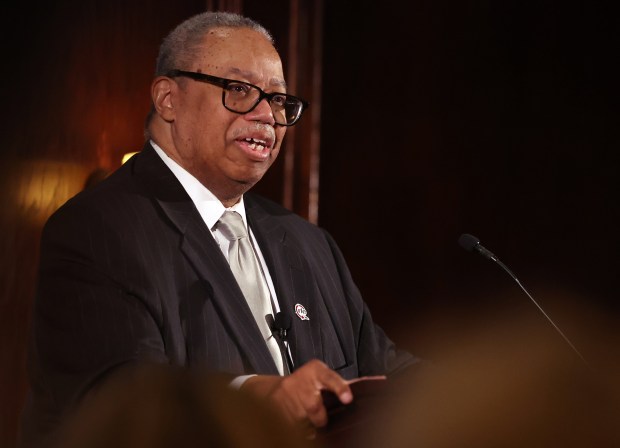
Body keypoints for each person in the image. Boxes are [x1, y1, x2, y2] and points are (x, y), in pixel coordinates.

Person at [20, 11, 417, 447]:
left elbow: (383, 370)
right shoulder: (96, 229)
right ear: (168, 98)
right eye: (240, 90)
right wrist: (256, 395)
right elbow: (116, 402)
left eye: (279, 100)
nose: (267, 114)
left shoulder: (308, 242)